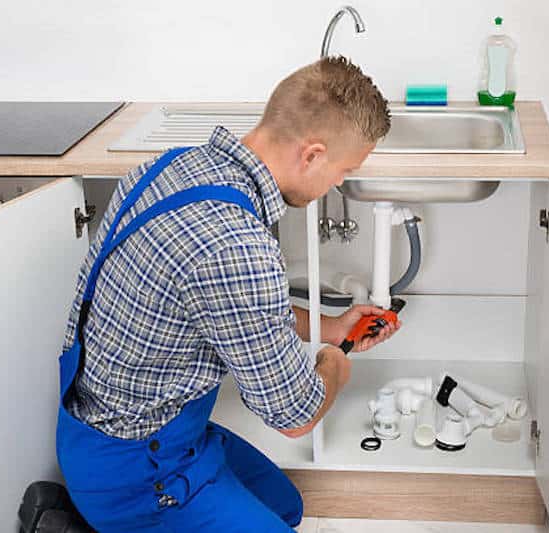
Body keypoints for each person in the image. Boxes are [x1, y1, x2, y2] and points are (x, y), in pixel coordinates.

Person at [55, 56, 397, 532]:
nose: (339, 183)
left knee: (286, 509)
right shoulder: (236, 245)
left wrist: (331, 325)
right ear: (313, 154)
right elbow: (295, 415)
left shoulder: (175, 165)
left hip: (135, 430)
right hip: (138, 472)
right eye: (343, 170)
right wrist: (335, 360)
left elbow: (238, 307)